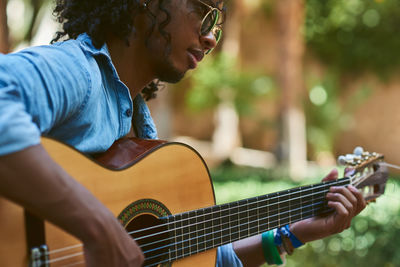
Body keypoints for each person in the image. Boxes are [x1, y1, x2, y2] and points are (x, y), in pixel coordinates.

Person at [0, 0, 366, 266]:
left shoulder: (138, 128)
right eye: (203, 11)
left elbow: (199, 256)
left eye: (217, 23)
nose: (210, 38)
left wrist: (294, 232)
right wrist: (96, 225)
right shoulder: (79, 72)